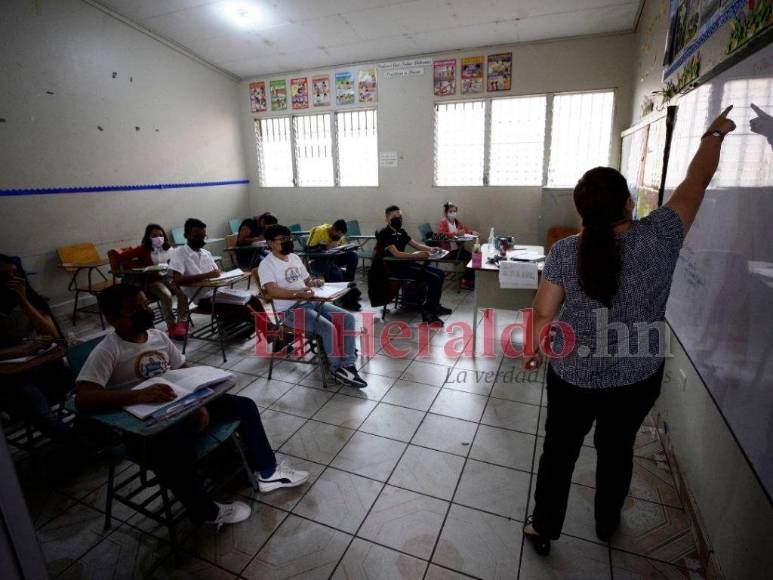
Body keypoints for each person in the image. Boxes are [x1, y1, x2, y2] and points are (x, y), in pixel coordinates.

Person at [521, 107, 737, 556]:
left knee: (559, 453)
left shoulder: (564, 251)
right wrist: (714, 133)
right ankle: (605, 523)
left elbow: (543, 314)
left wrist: (536, 348)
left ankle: (544, 527)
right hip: (635, 379)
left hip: (572, 378)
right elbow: (696, 183)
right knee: (616, 452)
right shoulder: (660, 235)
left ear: (581, 209)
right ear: (627, 204)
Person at [74, 283, 309, 527]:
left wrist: (200, 402)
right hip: (146, 427)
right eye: (135, 310)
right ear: (112, 318)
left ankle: (267, 472)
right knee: (175, 451)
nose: (145, 311)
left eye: (146, 304)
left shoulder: (158, 336)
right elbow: (84, 398)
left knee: (244, 406)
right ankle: (206, 512)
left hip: (180, 408)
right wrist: (136, 396)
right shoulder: (108, 350)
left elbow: (184, 372)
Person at [0, 254, 92, 462]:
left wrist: (23, 300)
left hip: (47, 367)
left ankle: (91, 432)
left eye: (14, 274)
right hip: (14, 381)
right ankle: (79, 444)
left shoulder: (29, 298)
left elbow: (52, 333)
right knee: (32, 400)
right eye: (4, 277)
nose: (12, 281)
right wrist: (21, 350)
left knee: (88, 378)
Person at [257, 224, 367, 388]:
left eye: (288, 238)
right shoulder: (267, 264)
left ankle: (348, 364)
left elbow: (307, 281)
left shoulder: (294, 257)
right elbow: (272, 291)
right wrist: (298, 294)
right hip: (289, 311)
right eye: (281, 240)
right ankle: (336, 369)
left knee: (347, 318)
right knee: (328, 328)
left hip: (310, 302)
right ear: (270, 243)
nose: (286, 242)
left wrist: (314, 282)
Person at [169, 218, 265, 330]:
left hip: (218, 292)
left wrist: (225, 275)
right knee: (243, 308)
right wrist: (208, 275)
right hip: (202, 298)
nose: (201, 239)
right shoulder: (179, 253)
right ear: (186, 235)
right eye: (197, 236)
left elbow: (217, 273)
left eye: (203, 236)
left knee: (253, 299)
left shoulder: (206, 253)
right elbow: (178, 280)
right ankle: (270, 332)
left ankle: (270, 330)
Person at [369, 205, 452, 325]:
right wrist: (416, 256)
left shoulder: (401, 232)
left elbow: (417, 245)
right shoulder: (384, 233)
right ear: (387, 219)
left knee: (440, 274)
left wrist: (432, 248)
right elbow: (396, 254)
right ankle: (428, 312)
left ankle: (435, 306)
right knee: (434, 278)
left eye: (400, 216)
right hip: (394, 269)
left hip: (406, 265)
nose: (398, 219)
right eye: (394, 217)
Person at [116, 224, 189, 339]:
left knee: (183, 292)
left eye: (160, 235)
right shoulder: (143, 249)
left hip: (169, 278)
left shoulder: (169, 248)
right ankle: (171, 326)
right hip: (153, 281)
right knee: (166, 295)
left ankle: (181, 323)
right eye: (154, 235)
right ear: (148, 237)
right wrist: (137, 265)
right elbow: (121, 257)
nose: (158, 237)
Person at [437, 201, 477, 289]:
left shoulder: (456, 222)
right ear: (446, 213)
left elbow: (464, 230)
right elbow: (441, 235)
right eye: (450, 211)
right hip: (449, 251)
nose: (453, 213)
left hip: (458, 249)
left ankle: (469, 280)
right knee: (469, 257)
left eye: (454, 211)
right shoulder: (443, 222)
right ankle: (466, 281)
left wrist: (471, 232)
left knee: (472, 257)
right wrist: (455, 234)